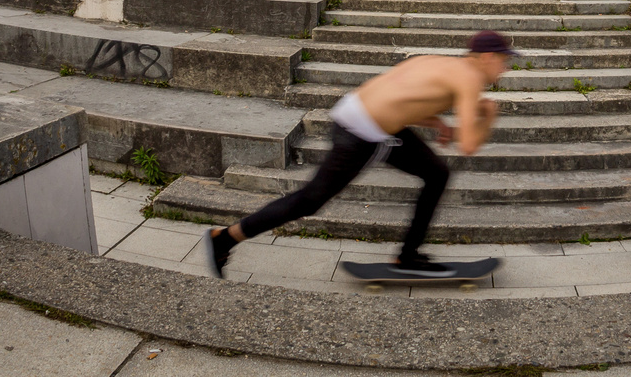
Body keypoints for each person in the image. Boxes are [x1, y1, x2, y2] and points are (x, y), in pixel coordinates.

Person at [198, 29, 517, 279]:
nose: (505, 69)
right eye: (504, 61)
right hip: (362, 132)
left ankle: (408, 256)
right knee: (311, 199)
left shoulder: (440, 62)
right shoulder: (469, 78)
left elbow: (400, 96)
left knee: (436, 173)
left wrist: (435, 121)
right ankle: (225, 238)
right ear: (486, 57)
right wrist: (488, 113)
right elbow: (470, 146)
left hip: (366, 116)